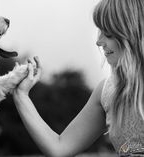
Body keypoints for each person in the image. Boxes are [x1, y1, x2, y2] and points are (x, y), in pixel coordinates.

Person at [12, 0, 144, 156]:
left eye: (107, 33)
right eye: (99, 31)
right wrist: (21, 95)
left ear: (131, 32)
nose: (99, 41)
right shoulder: (107, 91)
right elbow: (60, 148)